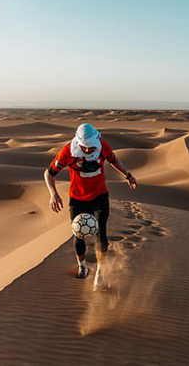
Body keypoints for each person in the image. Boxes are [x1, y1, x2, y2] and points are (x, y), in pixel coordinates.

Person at [44, 123, 137, 291]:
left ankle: (99, 275)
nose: (88, 151)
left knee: (101, 232)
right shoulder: (67, 153)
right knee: (78, 235)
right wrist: (53, 194)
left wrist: (128, 176)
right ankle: (82, 266)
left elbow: (113, 160)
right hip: (77, 199)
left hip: (100, 197)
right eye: (84, 147)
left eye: (91, 147)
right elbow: (49, 173)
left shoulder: (103, 148)